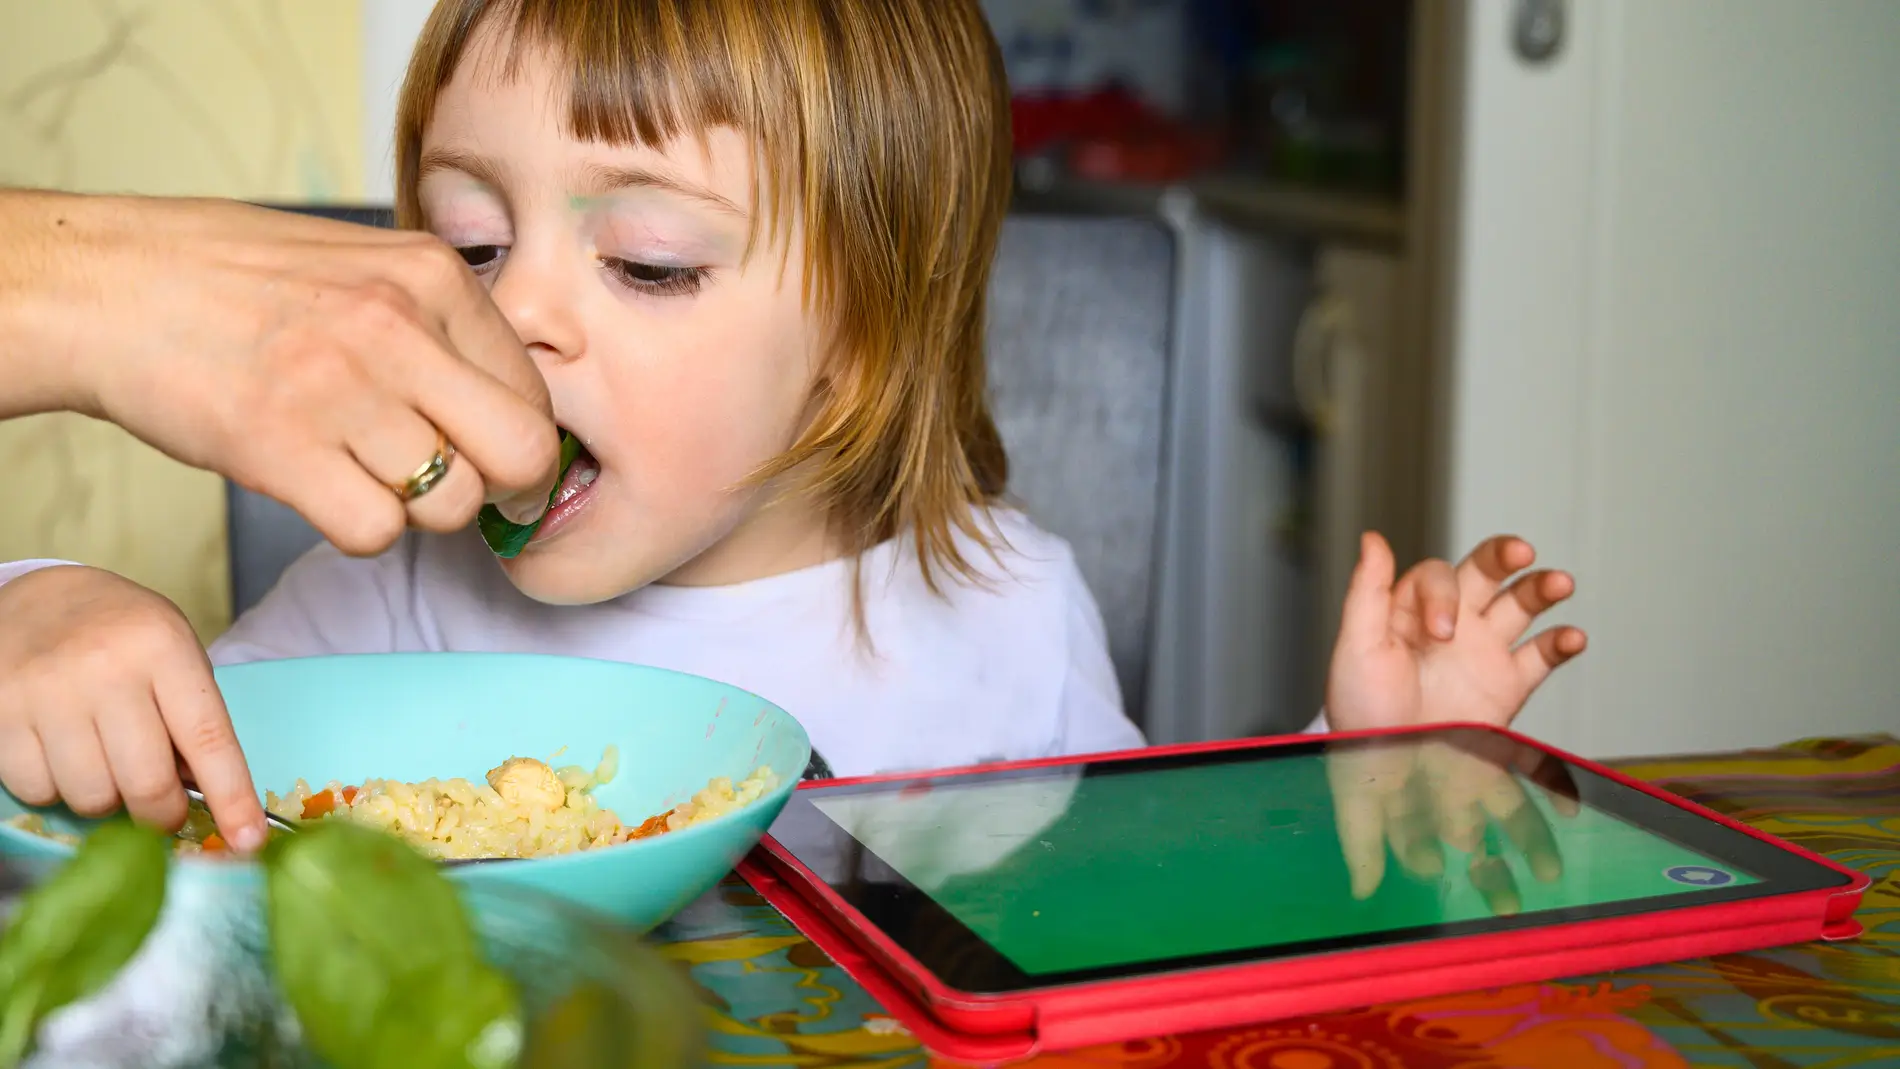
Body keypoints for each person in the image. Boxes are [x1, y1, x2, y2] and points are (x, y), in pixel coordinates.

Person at [0, 0, 1585, 870]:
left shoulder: (999, 621)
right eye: (471, 244)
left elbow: (1119, 920)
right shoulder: (399, 597)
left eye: (649, 265)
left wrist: (1370, 767)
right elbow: (142, 788)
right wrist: (41, 606)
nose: (518, 314)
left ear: (855, 353)